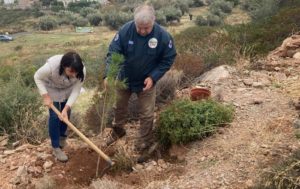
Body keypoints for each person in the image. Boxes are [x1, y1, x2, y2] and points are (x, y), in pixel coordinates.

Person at [104, 4, 177, 156]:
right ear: (134, 22)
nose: (143, 31)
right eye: (140, 28)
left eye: (147, 28)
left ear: (154, 21)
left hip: (147, 81)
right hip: (125, 78)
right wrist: (109, 75)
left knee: (147, 113)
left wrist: (154, 76)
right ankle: (118, 132)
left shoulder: (163, 36)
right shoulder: (125, 31)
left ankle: (144, 141)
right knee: (119, 108)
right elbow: (113, 52)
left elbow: (168, 58)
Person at [34, 51, 86, 162]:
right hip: (51, 88)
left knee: (65, 113)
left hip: (67, 89)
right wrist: (46, 96)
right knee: (54, 116)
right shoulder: (51, 66)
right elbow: (37, 77)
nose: (74, 74)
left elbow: (76, 91)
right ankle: (56, 147)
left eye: (76, 72)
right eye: (70, 71)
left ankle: (62, 138)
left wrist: (66, 108)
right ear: (63, 66)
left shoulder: (81, 72)